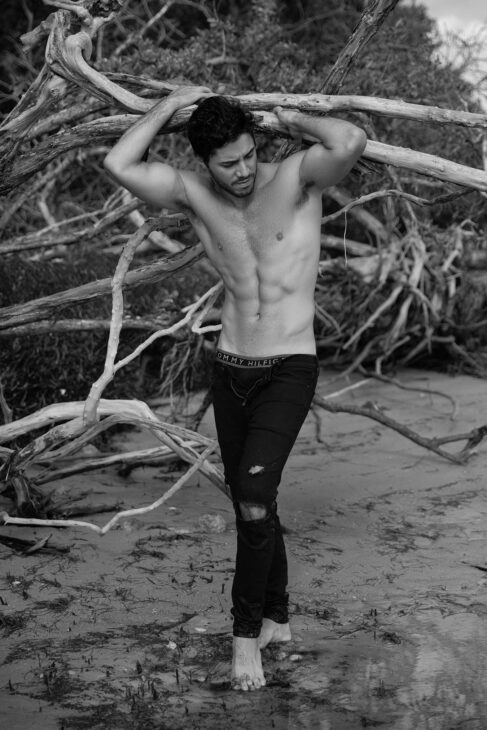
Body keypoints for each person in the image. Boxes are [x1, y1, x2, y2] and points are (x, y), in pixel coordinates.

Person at [104, 86, 367, 691]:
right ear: (204, 161)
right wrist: (169, 107)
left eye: (250, 155)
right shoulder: (194, 194)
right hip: (230, 369)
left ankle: (244, 638)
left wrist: (290, 117)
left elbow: (350, 139)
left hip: (289, 367)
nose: (244, 170)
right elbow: (119, 163)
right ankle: (278, 619)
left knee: (252, 497)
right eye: (229, 163)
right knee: (254, 501)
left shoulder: (297, 177)